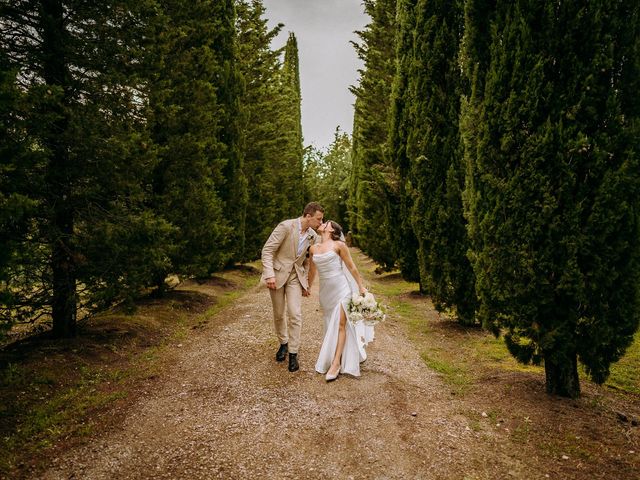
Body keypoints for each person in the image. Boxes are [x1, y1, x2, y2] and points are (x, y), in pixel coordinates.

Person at [261, 202, 324, 372]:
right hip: (277, 274)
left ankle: (294, 353)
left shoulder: (313, 236)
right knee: (279, 313)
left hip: (295, 277)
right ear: (308, 216)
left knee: (295, 314)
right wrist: (269, 274)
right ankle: (283, 343)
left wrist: (307, 284)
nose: (320, 223)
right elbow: (267, 251)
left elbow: (307, 261)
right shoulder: (285, 227)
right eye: (318, 219)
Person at [309, 220, 374, 381]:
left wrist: (360, 287)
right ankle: (342, 352)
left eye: (326, 222)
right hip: (326, 293)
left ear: (331, 229)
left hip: (342, 290)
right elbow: (312, 271)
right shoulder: (313, 248)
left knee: (340, 324)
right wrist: (307, 287)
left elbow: (352, 267)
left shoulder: (339, 246)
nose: (322, 223)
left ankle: (336, 362)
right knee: (330, 323)